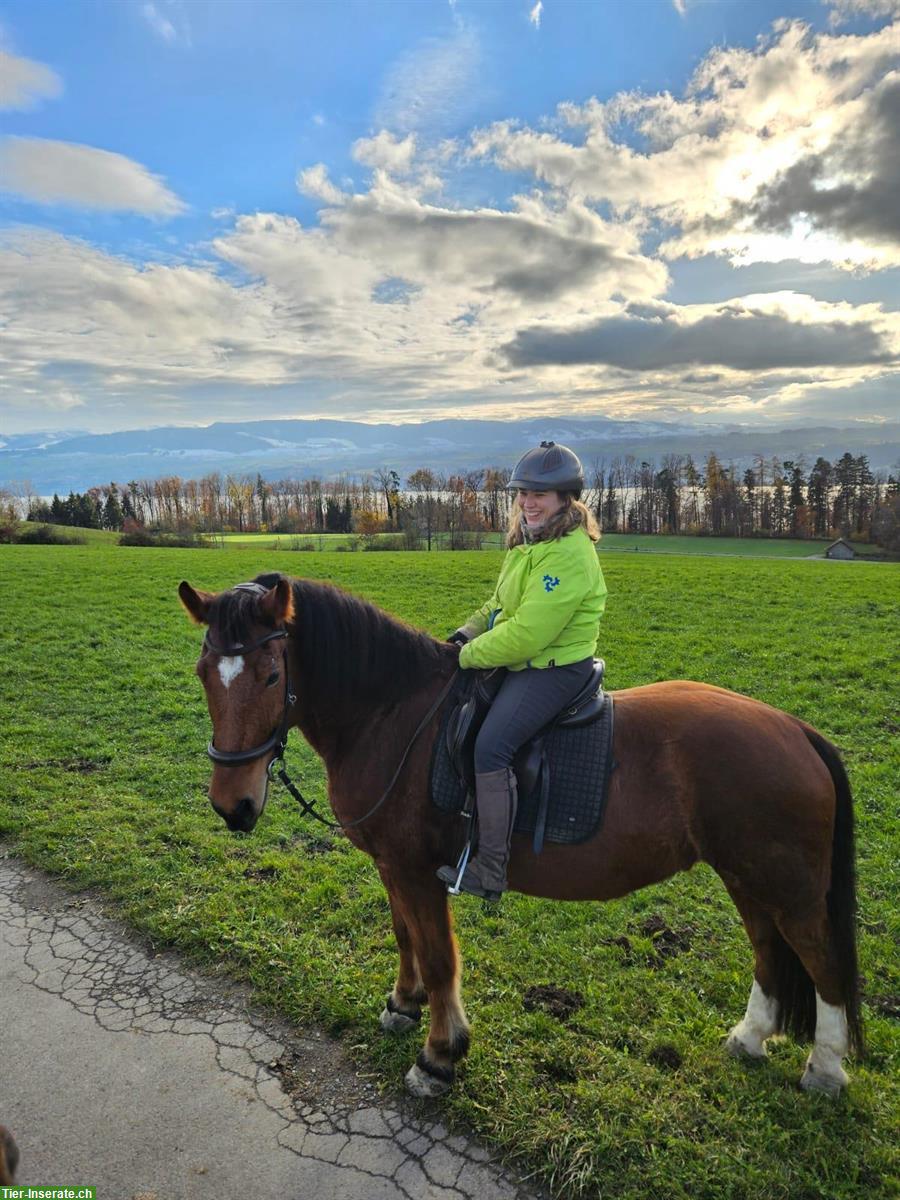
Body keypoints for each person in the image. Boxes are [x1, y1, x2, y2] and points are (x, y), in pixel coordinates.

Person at [437, 441, 607, 900]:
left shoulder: (567, 555)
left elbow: (530, 634)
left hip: (552, 668)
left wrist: (467, 658)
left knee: (491, 747)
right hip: (523, 657)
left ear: (565, 500)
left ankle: (491, 868)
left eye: (541, 495)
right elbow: (498, 606)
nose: (529, 503)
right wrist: (461, 637)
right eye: (523, 493)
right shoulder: (528, 544)